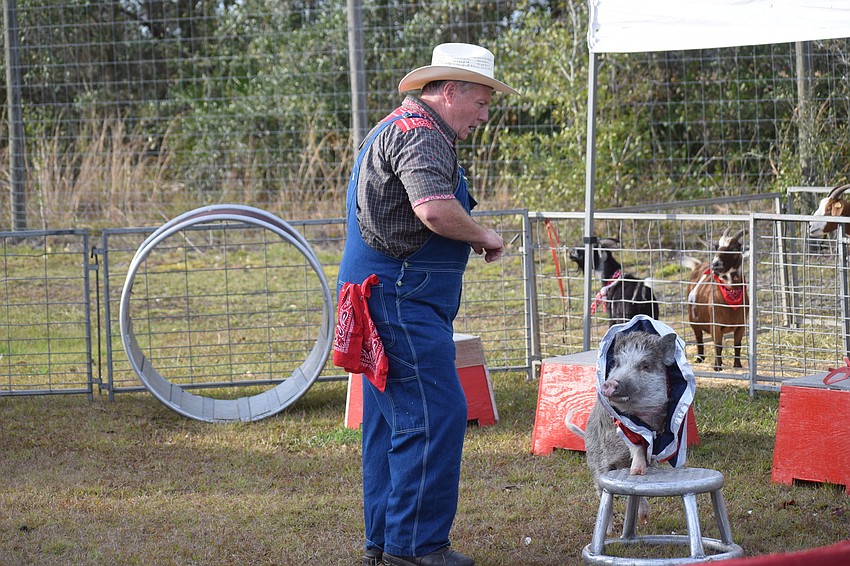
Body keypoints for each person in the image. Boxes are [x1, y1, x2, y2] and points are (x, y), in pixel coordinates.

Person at [337, 43, 519, 566]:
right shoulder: (421, 135)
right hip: (401, 298)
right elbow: (435, 211)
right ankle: (415, 548)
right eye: (481, 102)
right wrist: (484, 234)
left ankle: (385, 543)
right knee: (436, 414)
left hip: (383, 293)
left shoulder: (393, 127)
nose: (485, 116)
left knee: (389, 422)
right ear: (448, 91)